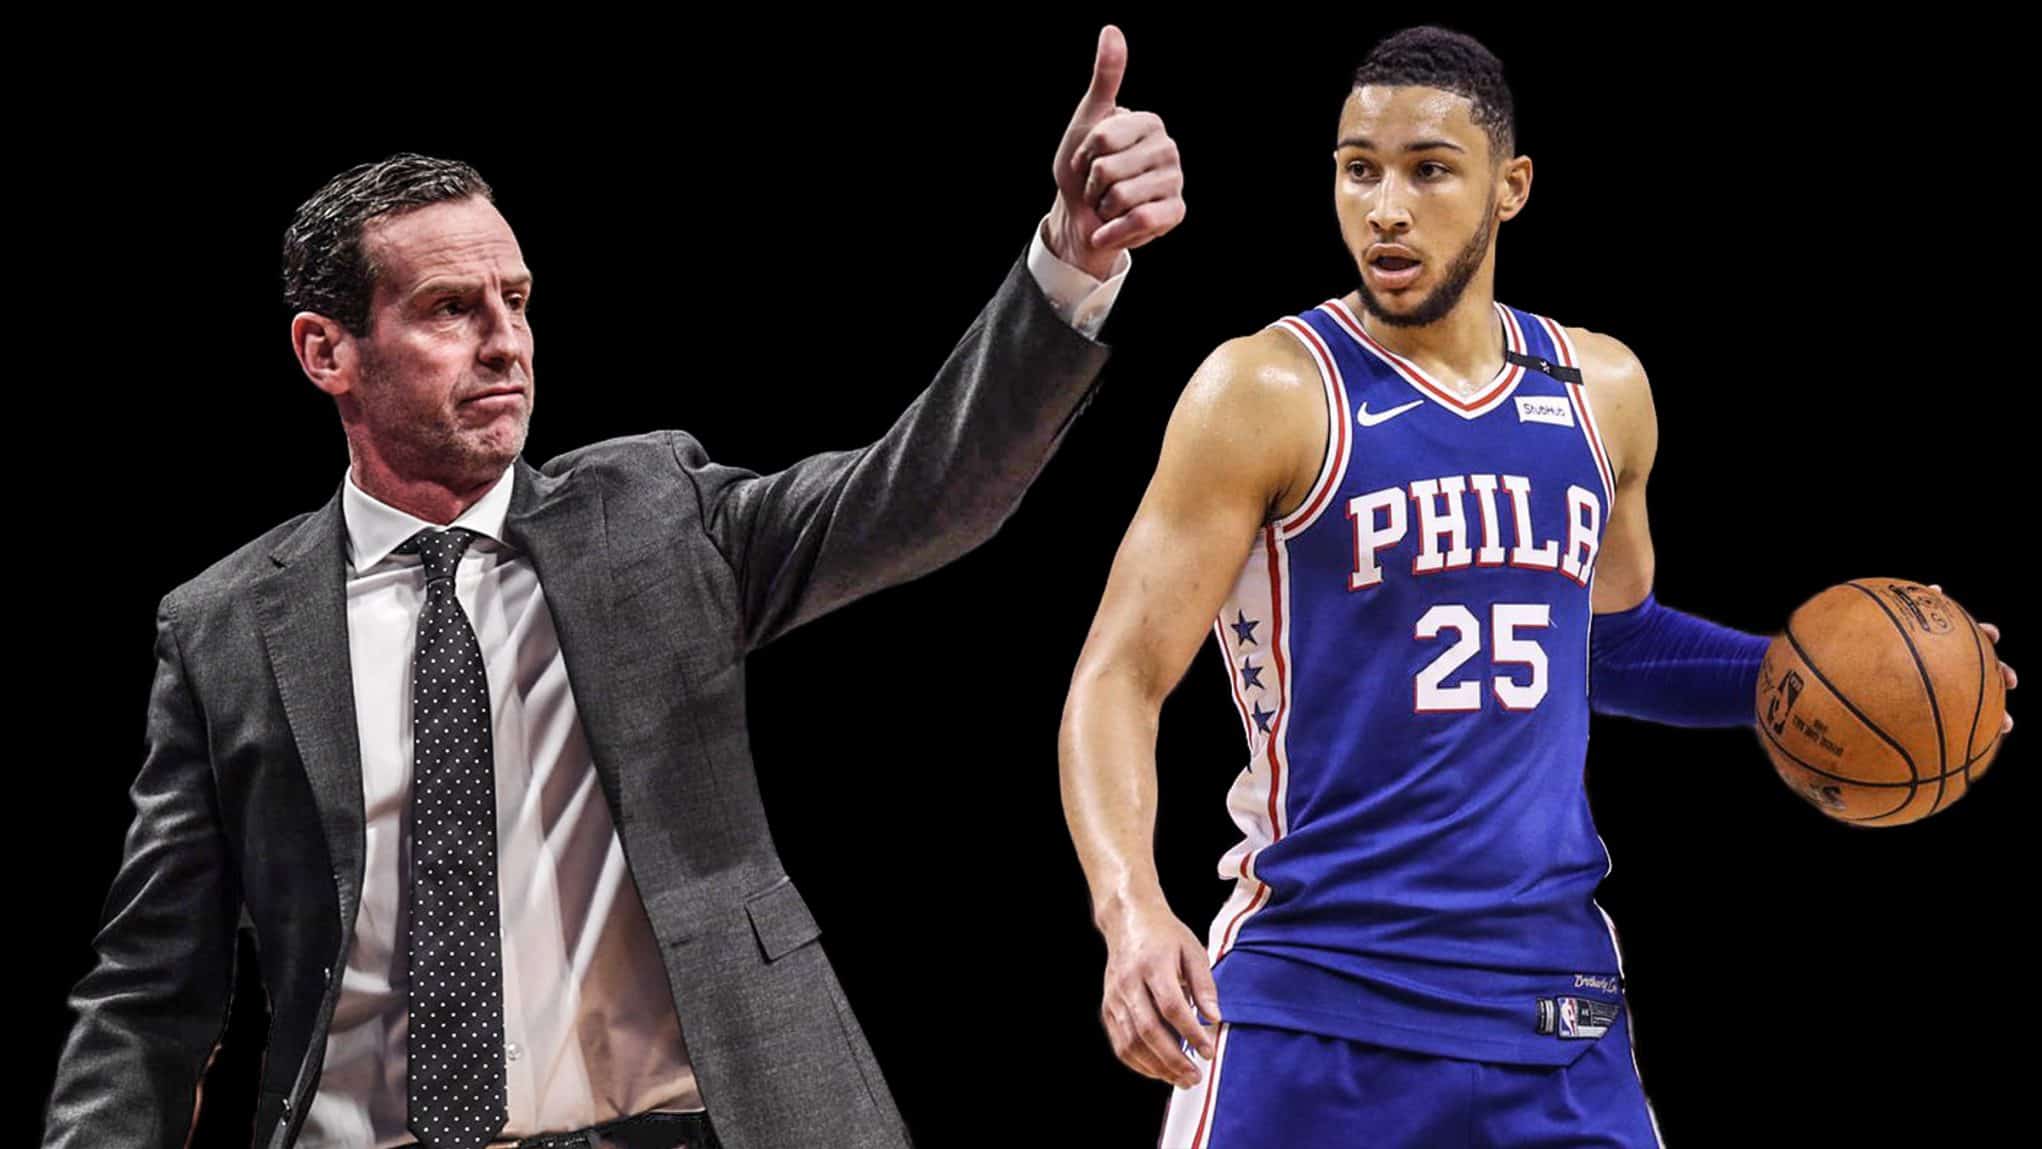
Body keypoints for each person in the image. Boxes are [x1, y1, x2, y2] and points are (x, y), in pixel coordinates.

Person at [45, 26, 1185, 1149]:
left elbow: (923, 493)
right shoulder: (227, 626)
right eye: (451, 309)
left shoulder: (649, 512)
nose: (507, 344)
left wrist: (1069, 262)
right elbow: (151, 989)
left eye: (518, 301)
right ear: (324, 351)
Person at [1055, 25, 2016, 1149]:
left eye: (1427, 169)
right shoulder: (1266, 390)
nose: (1384, 208)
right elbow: (1118, 674)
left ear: (1508, 187)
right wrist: (1128, 910)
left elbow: (1603, 642)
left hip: (1551, 1006)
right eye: (1356, 168)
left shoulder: (1598, 389)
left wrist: (1820, 681)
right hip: (1315, 996)